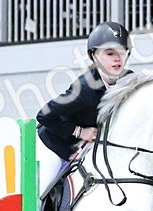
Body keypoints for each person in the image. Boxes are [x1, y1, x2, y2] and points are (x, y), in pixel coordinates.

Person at [35, 21, 132, 197]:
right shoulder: (84, 89)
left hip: (88, 149)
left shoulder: (128, 81)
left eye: (122, 52)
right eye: (110, 53)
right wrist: (80, 132)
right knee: (41, 193)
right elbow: (43, 116)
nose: (118, 59)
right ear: (94, 56)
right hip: (54, 144)